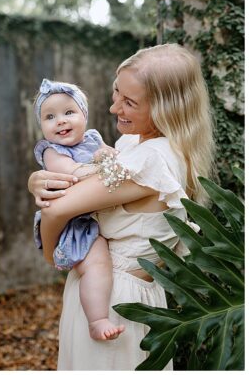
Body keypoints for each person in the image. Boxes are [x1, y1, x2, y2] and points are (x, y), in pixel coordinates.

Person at [29, 44, 215, 369]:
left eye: (129, 102)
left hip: (117, 299)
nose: (114, 108)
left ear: (166, 109)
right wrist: (40, 178)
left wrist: (50, 254)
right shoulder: (133, 141)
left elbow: (57, 210)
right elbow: (83, 185)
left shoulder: (152, 159)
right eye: (116, 93)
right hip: (102, 288)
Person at [30, 80, 120, 341]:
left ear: (84, 115)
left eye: (69, 112)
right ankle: (97, 319)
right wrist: (100, 163)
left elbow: (113, 155)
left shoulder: (93, 139)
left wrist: (108, 155)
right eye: (50, 117)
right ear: (42, 126)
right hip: (76, 222)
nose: (60, 121)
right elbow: (72, 175)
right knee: (97, 263)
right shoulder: (51, 151)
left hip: (95, 212)